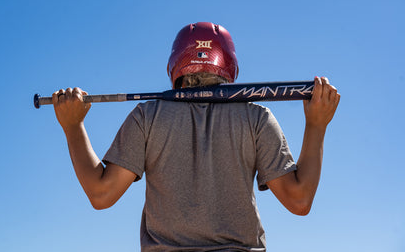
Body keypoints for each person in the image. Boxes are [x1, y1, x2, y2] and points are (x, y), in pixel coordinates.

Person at [52, 22, 340, 251]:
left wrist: (73, 125)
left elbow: (101, 194)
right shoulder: (256, 118)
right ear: (229, 64)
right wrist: (317, 124)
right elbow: (299, 201)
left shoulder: (148, 116)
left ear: (176, 64)